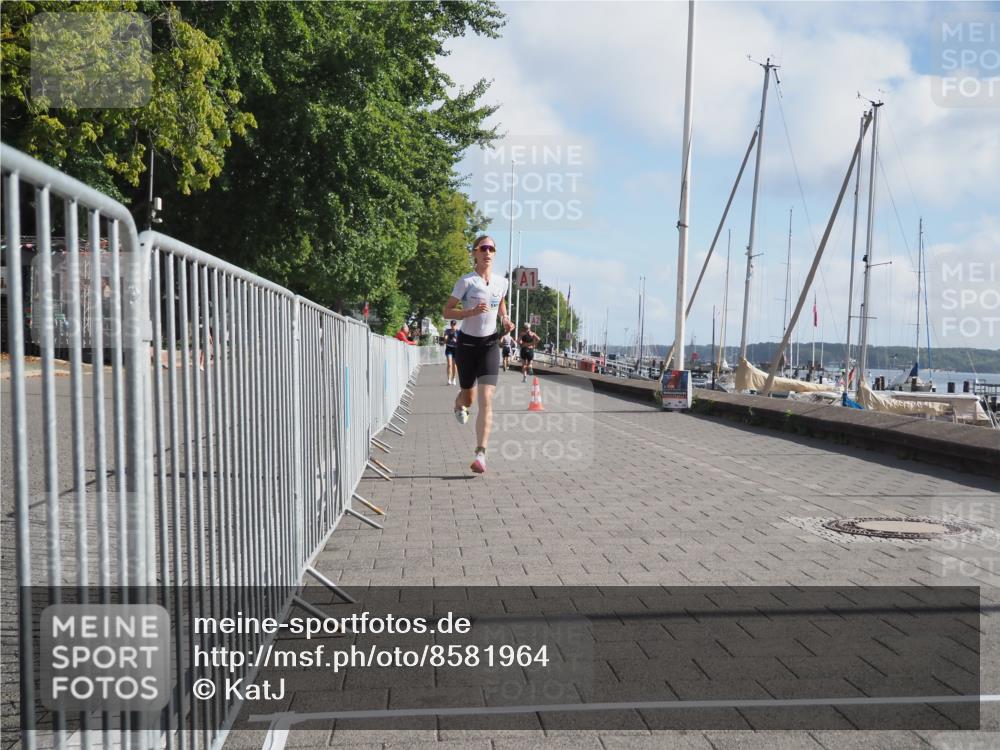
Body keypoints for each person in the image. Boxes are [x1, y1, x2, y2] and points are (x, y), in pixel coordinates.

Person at [442, 235, 514, 474]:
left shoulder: (501, 282)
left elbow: (500, 302)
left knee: (486, 400)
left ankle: (481, 454)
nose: (487, 252)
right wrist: (470, 312)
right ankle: (458, 402)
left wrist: (504, 318)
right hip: (467, 346)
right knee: (469, 398)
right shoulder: (466, 282)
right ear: (474, 252)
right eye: (483, 248)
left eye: (491, 248)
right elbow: (446, 311)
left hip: (490, 345)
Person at [443, 320, 459, 385]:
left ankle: (454, 378)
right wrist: (447, 338)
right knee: (449, 364)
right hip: (449, 348)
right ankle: (449, 379)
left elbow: (461, 342)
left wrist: (456, 339)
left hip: (456, 349)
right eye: (452, 324)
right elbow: (445, 340)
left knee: (454, 365)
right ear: (450, 325)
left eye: (454, 325)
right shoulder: (447, 331)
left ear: (456, 325)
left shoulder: (458, 331)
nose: (453, 326)